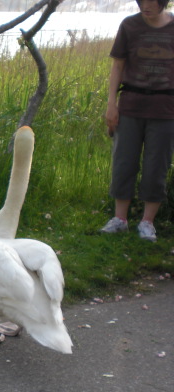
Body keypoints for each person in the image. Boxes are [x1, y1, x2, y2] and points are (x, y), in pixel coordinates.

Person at [101, 0, 174, 242]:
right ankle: (119, 219)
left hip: (165, 108)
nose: (147, 6)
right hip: (130, 106)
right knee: (124, 162)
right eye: (143, 1)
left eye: (153, 2)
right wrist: (112, 104)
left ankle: (147, 222)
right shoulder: (129, 26)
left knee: (157, 166)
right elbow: (118, 65)